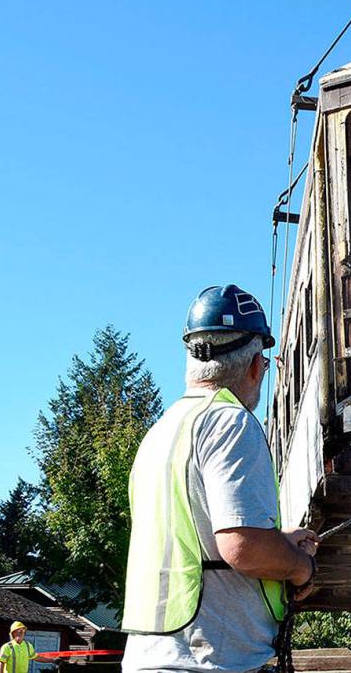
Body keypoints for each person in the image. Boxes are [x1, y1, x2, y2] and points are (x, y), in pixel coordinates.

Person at [122, 285, 318, 672]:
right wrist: (300, 567)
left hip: (154, 656)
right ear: (256, 366)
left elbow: (195, 538)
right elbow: (242, 547)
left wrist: (277, 541)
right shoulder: (230, 422)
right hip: (209, 658)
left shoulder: (161, 432)